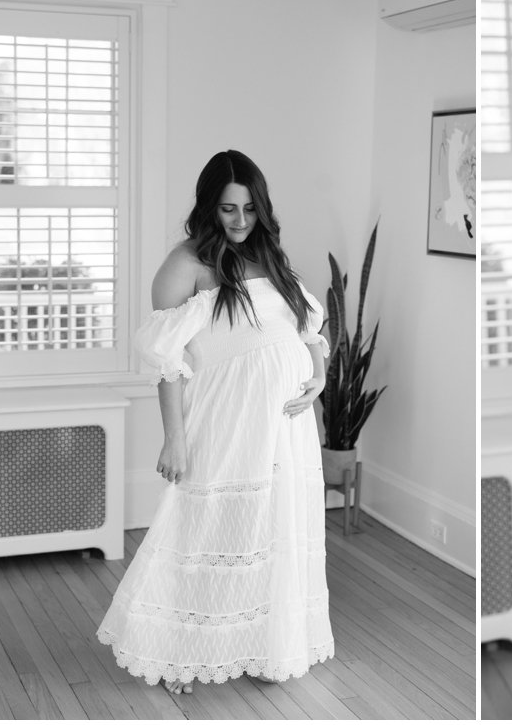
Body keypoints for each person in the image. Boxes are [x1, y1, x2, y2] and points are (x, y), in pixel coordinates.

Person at [97, 150, 334, 694]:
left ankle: (258, 644)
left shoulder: (269, 256)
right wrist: (174, 438)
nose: (240, 221)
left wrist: (318, 376)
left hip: (287, 428)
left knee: (272, 529)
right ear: (209, 206)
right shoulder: (186, 264)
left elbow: (305, 326)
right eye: (228, 209)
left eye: (250, 208)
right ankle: (180, 650)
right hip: (228, 421)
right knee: (203, 532)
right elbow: (167, 363)